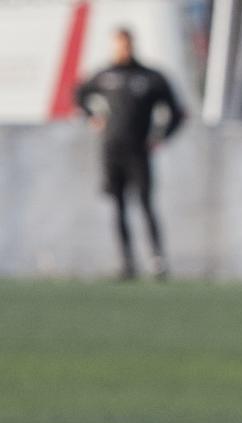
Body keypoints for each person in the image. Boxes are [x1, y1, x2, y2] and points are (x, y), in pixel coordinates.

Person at [74, 28, 184, 281]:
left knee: (146, 204)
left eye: (127, 45)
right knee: (118, 205)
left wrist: (159, 137)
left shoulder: (150, 77)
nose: (124, 50)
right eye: (119, 45)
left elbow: (176, 113)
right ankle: (127, 261)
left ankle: (157, 260)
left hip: (139, 151)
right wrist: (93, 118)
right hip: (112, 150)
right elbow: (79, 95)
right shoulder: (105, 75)